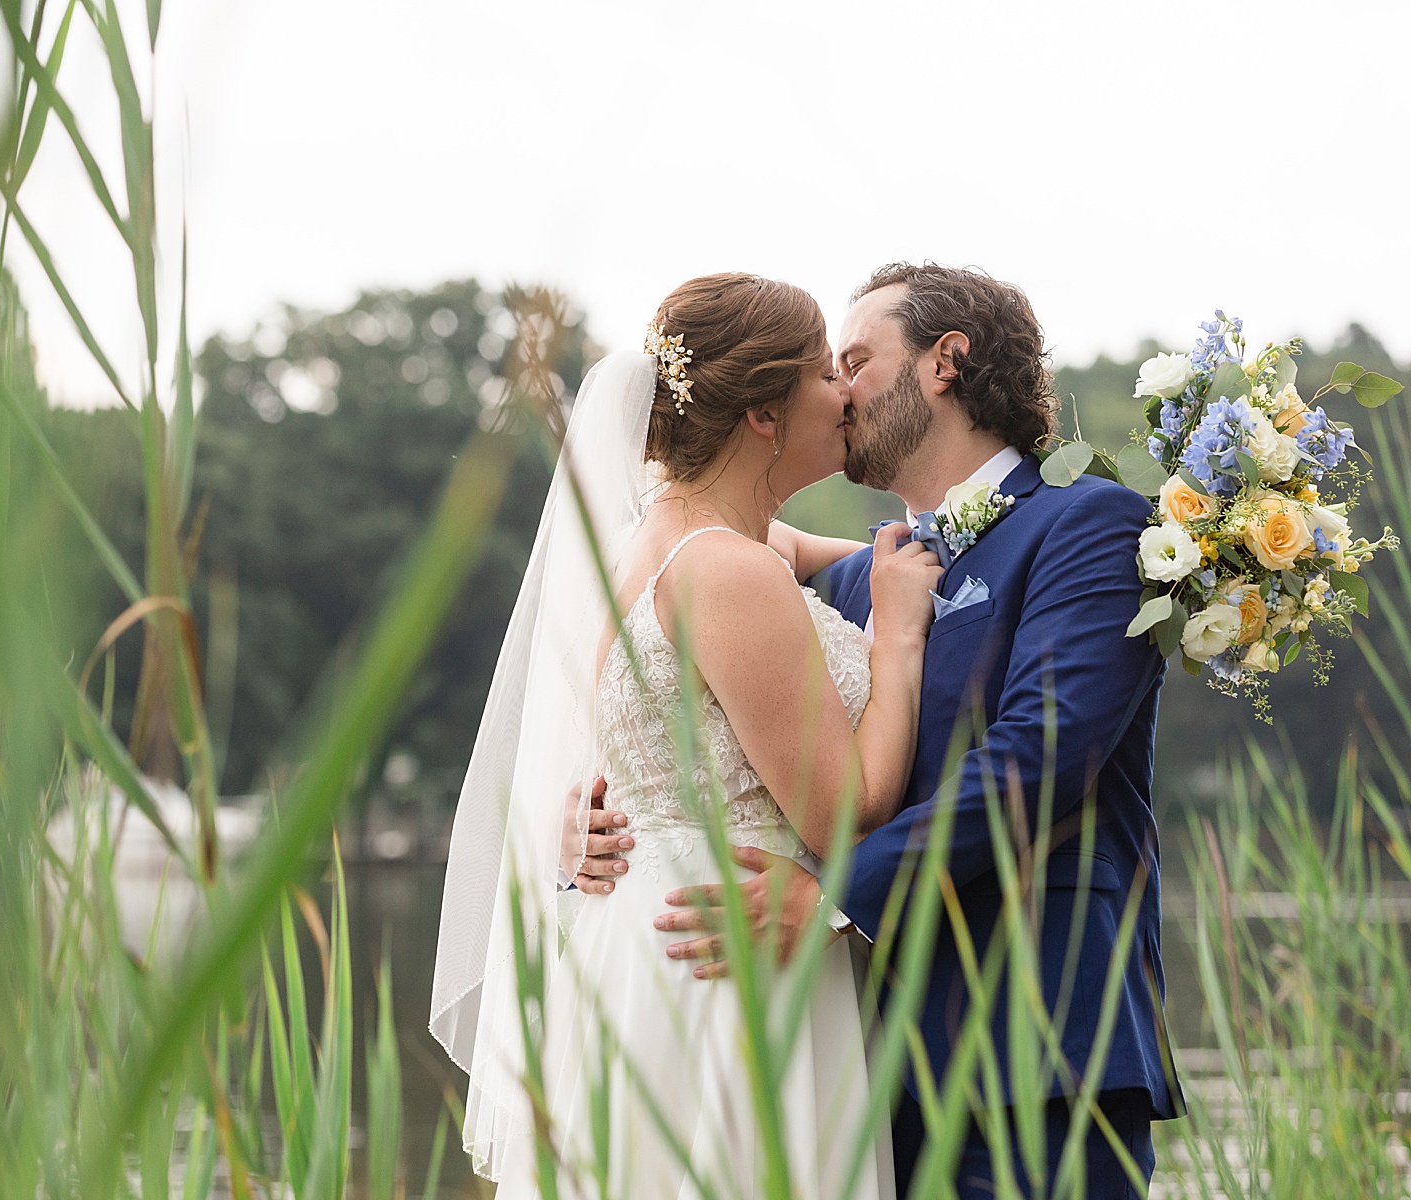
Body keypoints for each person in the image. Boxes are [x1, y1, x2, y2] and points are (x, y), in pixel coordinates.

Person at [627, 263, 1182, 1196]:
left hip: (1032, 1045)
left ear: (947, 362)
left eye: (855, 360)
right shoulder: (850, 590)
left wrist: (832, 899)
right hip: (855, 1063)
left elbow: (1038, 758)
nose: (838, 390)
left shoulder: (1091, 527)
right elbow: (684, 646)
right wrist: (600, 805)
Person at [430, 273, 939, 1197]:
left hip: (640, 941)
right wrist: (898, 642)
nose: (845, 391)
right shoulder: (728, 571)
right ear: (762, 414)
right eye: (826, 371)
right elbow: (840, 813)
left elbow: (849, 558)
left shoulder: (661, 538)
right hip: (728, 954)